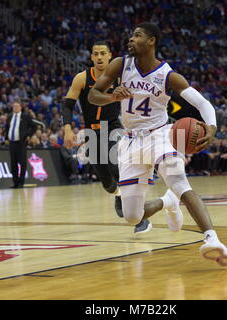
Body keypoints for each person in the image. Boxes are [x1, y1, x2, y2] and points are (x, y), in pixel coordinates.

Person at [88, 22, 227, 266]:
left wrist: (211, 128)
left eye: (137, 35)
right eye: (131, 35)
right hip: (130, 141)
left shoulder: (168, 76)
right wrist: (113, 96)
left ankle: (212, 239)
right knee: (132, 217)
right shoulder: (120, 65)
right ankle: (167, 202)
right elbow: (94, 95)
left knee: (179, 183)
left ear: (152, 40)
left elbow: (203, 104)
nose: (130, 40)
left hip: (160, 135)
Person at [62, 41, 151, 233]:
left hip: (113, 128)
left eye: (103, 53)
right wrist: (67, 129)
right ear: (91, 57)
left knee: (116, 167)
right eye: (96, 54)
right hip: (91, 133)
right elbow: (67, 105)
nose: (100, 57)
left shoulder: (120, 78)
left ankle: (139, 218)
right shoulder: (82, 78)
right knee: (108, 184)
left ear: (110, 55)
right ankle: (119, 195)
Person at [5, 101, 36, 188]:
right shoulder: (10, 116)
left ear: (20, 107)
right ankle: (15, 182)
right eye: (14, 106)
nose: (15, 108)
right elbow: (7, 127)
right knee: (13, 163)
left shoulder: (25, 116)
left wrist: (29, 135)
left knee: (22, 163)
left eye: (17, 106)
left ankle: (21, 182)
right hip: (12, 142)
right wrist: (6, 138)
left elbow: (34, 126)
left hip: (21, 142)